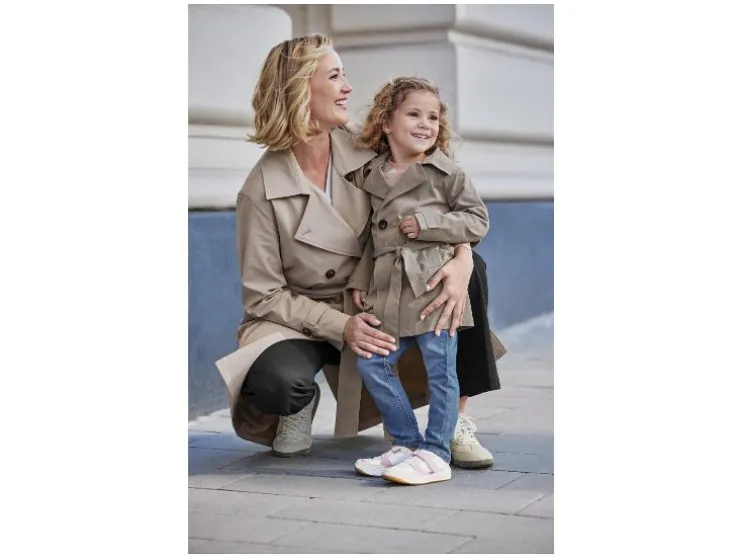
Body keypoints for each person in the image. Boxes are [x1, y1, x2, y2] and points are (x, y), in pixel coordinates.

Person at [214, 34, 502, 466]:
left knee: (471, 270)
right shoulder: (260, 190)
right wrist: (342, 325)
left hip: (380, 294)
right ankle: (297, 405)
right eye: (335, 77)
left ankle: (456, 421)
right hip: (306, 315)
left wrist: (461, 254)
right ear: (300, 89)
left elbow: (437, 200)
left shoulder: (370, 147)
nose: (348, 87)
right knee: (276, 380)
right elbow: (264, 296)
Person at [351, 77, 489, 485]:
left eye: (433, 117)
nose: (425, 124)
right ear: (386, 123)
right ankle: (407, 443)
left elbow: (477, 219)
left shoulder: (446, 173)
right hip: (388, 291)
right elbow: (369, 236)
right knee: (372, 362)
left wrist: (428, 223)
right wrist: (360, 279)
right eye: (413, 114)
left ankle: (436, 453)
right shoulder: (371, 173)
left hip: (433, 290)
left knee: (441, 372)